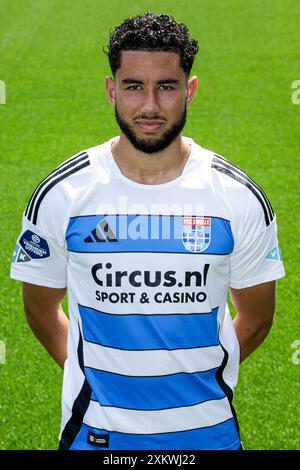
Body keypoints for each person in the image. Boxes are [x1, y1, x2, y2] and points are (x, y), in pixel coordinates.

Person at [10, 12, 285, 451]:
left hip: (208, 434)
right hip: (95, 436)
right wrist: (94, 376)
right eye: (134, 86)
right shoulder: (63, 194)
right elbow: (41, 308)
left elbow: (257, 317)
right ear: (111, 90)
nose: (151, 106)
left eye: (167, 87)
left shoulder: (237, 197)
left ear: (189, 91)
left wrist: (193, 376)